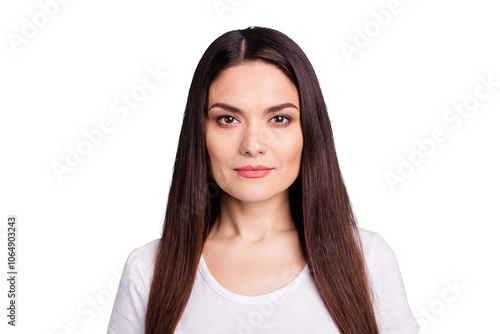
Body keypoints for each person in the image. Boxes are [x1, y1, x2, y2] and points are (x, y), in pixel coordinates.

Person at [107, 26, 420, 334]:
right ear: (199, 133)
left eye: (279, 118)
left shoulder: (367, 259)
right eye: (227, 119)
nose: (252, 144)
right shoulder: (148, 271)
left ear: (308, 131)